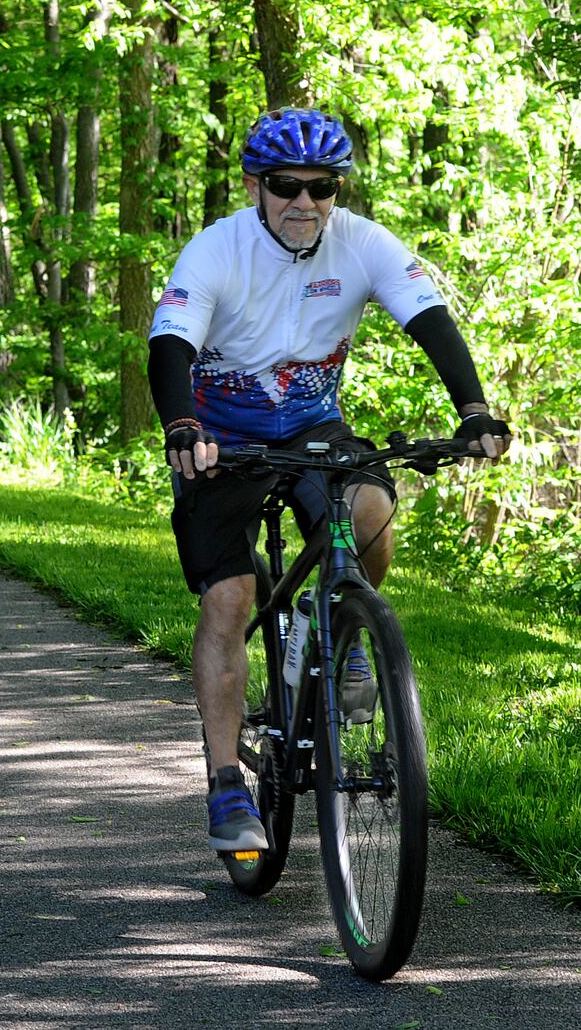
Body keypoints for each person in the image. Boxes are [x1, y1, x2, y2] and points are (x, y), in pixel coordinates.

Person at [146, 107, 512, 852]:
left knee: (372, 511)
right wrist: (182, 428)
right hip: (220, 439)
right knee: (231, 594)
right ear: (256, 184)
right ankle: (225, 784)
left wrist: (473, 409)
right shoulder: (218, 249)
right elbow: (171, 343)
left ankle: (343, 634)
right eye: (286, 186)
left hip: (313, 427)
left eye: (322, 187)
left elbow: (429, 317)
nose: (304, 203)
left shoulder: (362, 243)